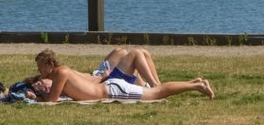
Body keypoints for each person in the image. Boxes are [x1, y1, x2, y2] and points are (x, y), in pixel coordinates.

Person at [27, 49, 214, 102]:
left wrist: (36, 97)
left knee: (157, 92)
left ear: (50, 64)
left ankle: (197, 86)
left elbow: (52, 100)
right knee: (157, 90)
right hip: (111, 87)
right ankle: (194, 82)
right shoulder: (63, 72)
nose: (39, 72)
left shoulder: (61, 72)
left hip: (113, 90)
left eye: (40, 67)